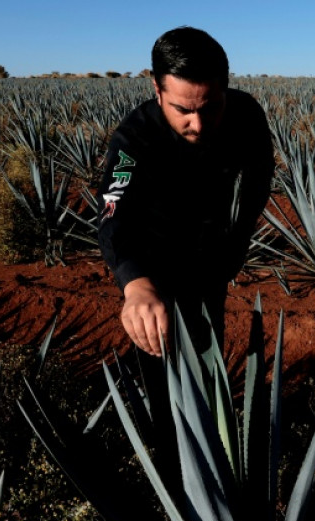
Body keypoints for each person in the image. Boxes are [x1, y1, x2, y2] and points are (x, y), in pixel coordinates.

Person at [97, 26, 274, 356]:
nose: (199, 124)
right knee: (157, 351)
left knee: (207, 347)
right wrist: (134, 281)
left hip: (211, 250)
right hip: (153, 256)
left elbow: (258, 179)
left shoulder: (246, 115)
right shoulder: (135, 137)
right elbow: (113, 210)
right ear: (157, 90)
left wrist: (238, 238)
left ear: (225, 86)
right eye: (183, 110)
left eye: (210, 107)